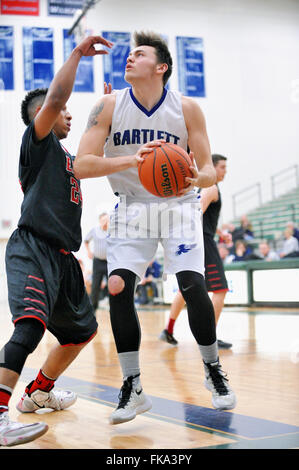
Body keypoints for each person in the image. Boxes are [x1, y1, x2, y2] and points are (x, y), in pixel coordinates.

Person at [74, 31, 236, 425]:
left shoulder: (188, 108)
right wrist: (132, 159)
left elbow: (208, 171)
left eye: (139, 54)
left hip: (179, 205)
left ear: (161, 66)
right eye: (129, 54)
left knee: (192, 285)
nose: (129, 59)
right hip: (132, 208)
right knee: (117, 287)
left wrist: (197, 180)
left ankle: (213, 370)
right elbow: (81, 164)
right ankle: (133, 386)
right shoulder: (108, 105)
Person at [0, 34, 113, 447]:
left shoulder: (68, 158)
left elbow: (96, 159)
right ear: (43, 116)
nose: (68, 114)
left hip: (64, 257)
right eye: (62, 110)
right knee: (29, 328)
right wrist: (77, 55)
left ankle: (37, 393)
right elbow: (54, 98)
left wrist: (107, 112)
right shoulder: (39, 141)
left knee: (80, 333)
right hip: (32, 247)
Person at [159, 154, 233, 349]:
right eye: (223, 167)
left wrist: (220, 233)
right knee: (220, 290)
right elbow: (196, 213)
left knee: (187, 290)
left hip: (197, 240)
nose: (225, 171)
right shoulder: (211, 187)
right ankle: (212, 337)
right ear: (213, 168)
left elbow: (201, 215)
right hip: (204, 243)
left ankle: (168, 329)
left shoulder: (203, 187)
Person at [84, 212, 109, 313]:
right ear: (100, 221)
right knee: (95, 287)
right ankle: (92, 310)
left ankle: (114, 308)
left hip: (109, 262)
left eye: (107, 220)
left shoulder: (112, 231)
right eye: (103, 220)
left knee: (112, 285)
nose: (106, 222)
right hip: (97, 262)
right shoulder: (94, 231)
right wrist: (89, 252)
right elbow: (86, 240)